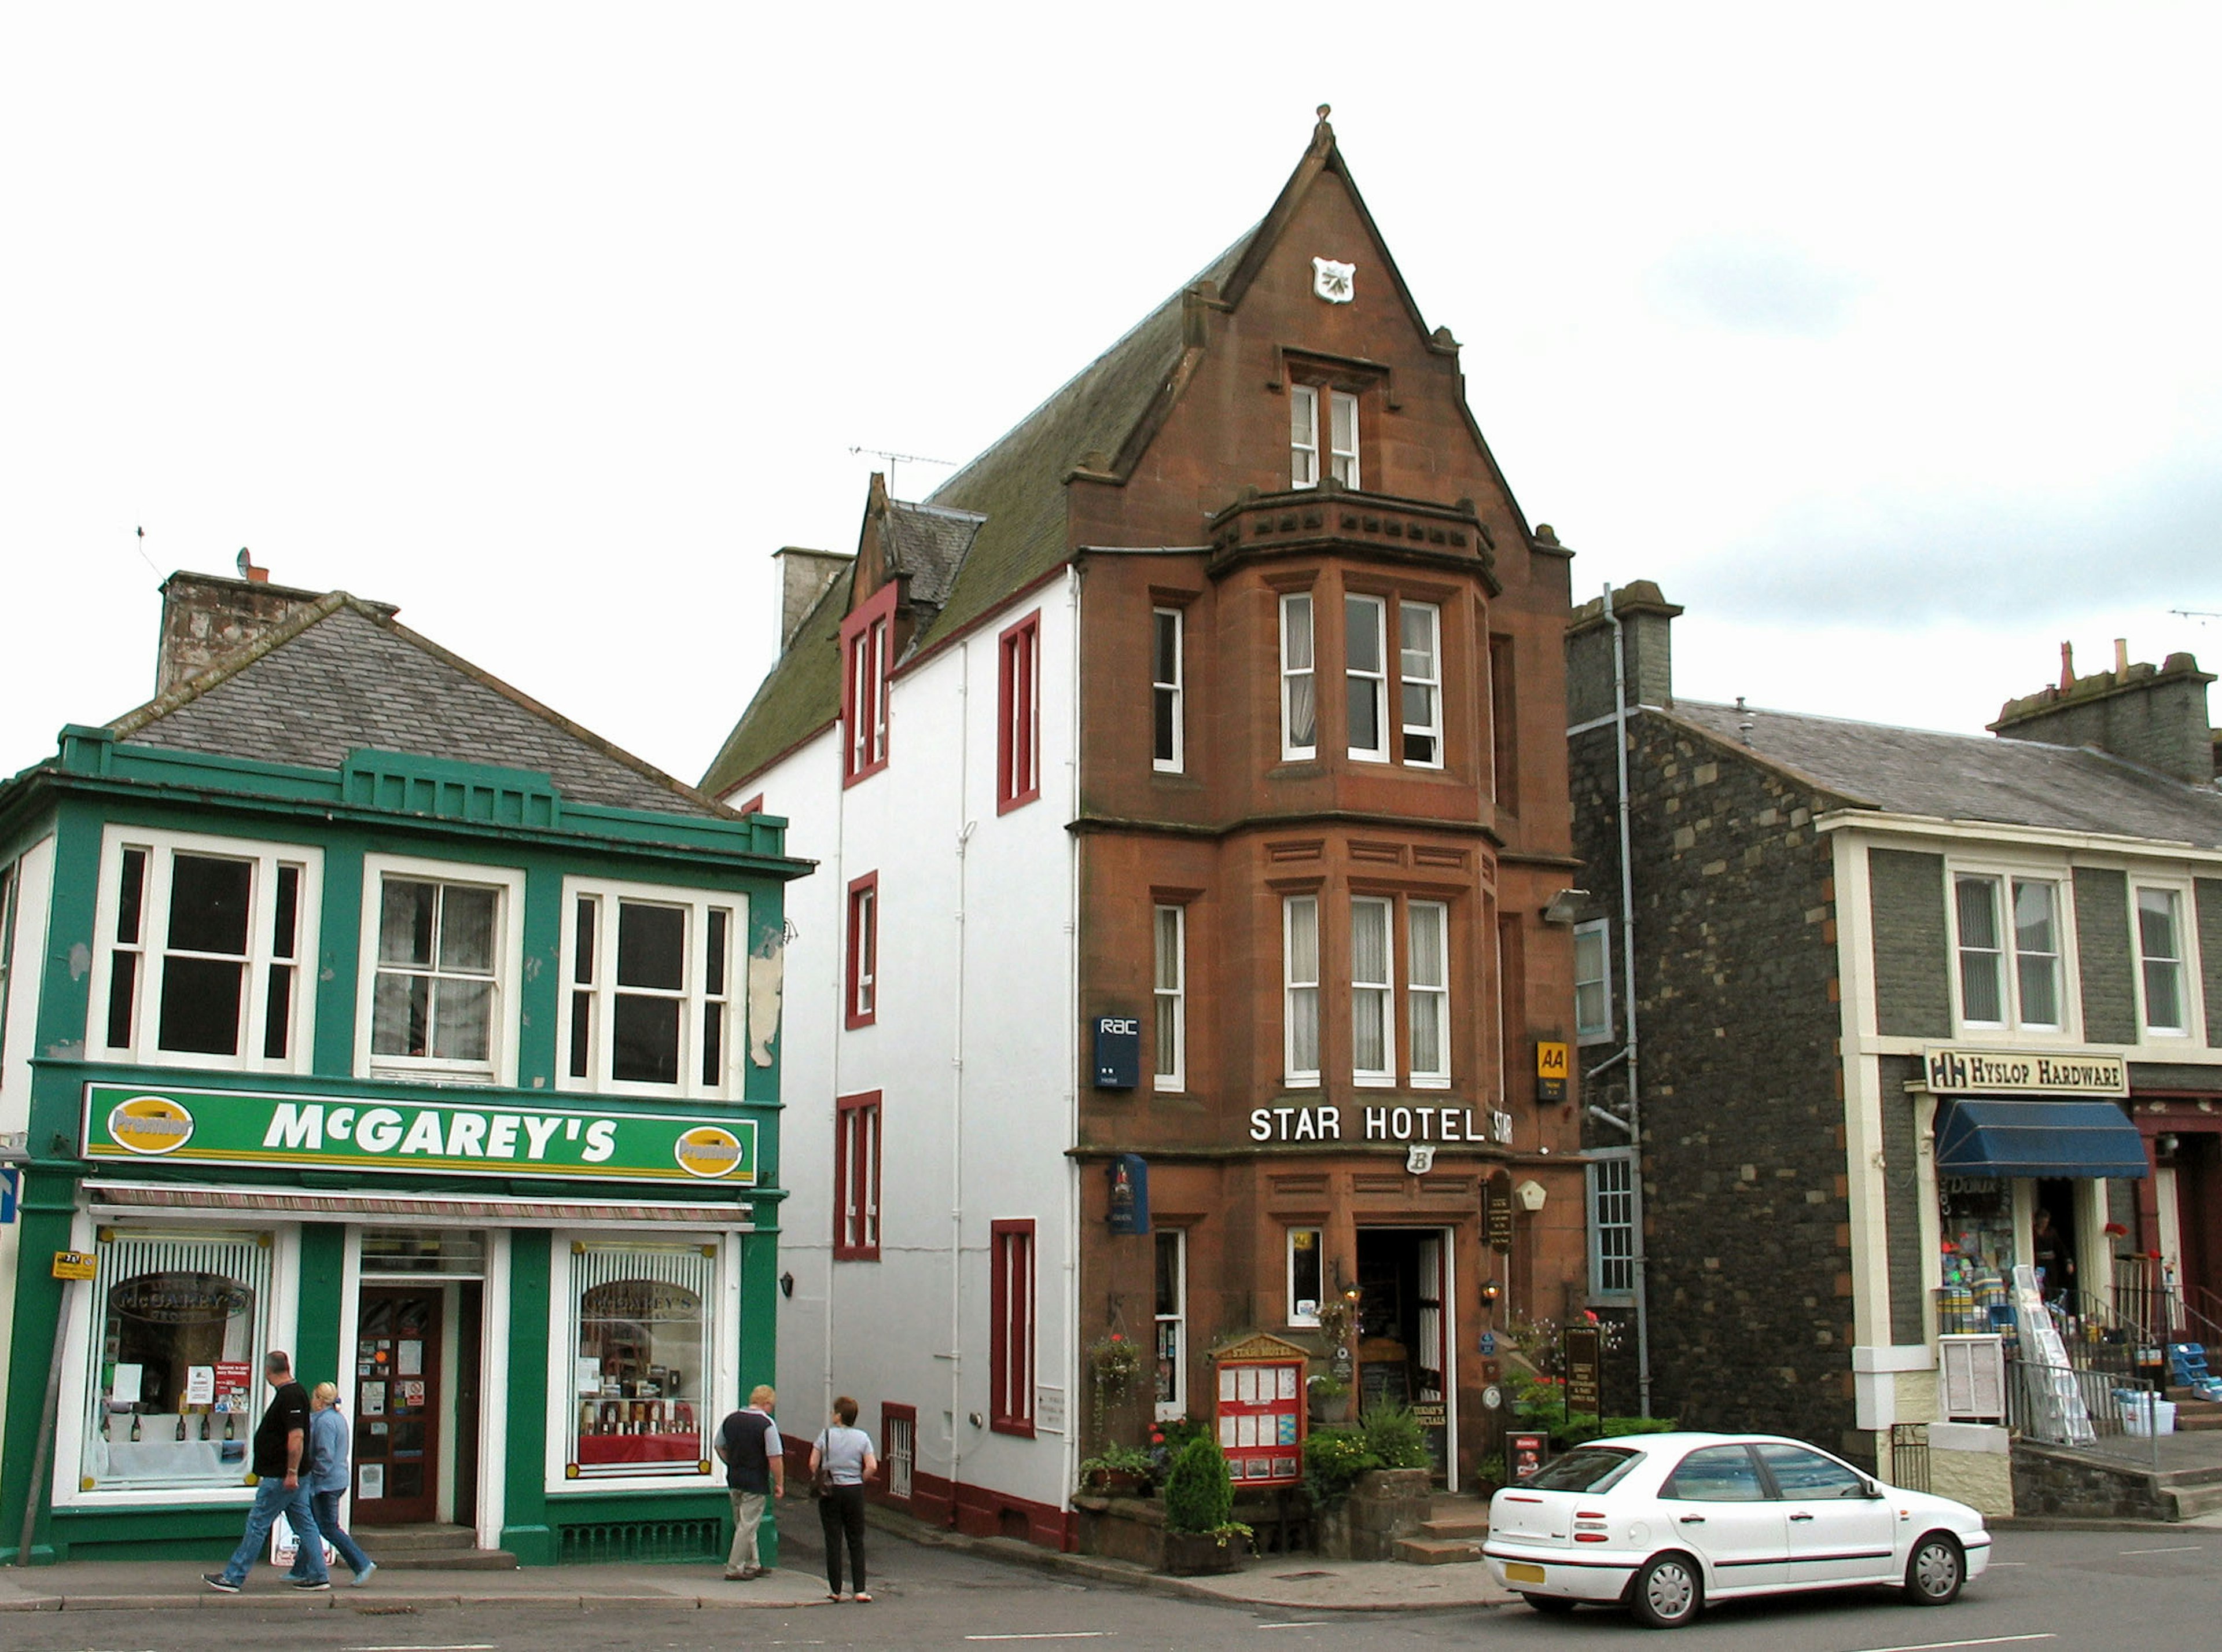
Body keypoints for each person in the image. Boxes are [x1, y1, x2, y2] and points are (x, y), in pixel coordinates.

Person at [204, 1351, 330, 1592]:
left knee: (258, 1523)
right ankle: (318, 1573)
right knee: (304, 1523)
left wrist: (291, 1472)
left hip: (282, 1476)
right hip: (293, 1475)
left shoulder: (291, 1396)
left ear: (269, 1371)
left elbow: (297, 1437)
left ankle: (234, 1576)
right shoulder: (294, 1393)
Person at [290, 1382, 376, 1587]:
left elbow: (325, 1456)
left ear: (320, 1400)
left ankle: (362, 1563)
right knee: (312, 1523)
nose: (312, 1401)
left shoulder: (325, 1423)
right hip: (336, 1480)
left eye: (314, 1397)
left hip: (326, 1484)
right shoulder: (336, 1419)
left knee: (327, 1527)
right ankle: (299, 1569)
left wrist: (313, 1477)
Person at [808, 1396, 877, 1603]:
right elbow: (872, 1466)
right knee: (856, 1539)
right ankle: (860, 1590)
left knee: (833, 1539)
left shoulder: (826, 1435)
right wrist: (859, 1479)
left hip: (831, 1491)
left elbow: (813, 1463)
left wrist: (824, 1476)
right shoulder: (863, 1438)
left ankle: (836, 1589)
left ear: (838, 1416)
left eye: (834, 1412)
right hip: (854, 1490)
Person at [715, 1384, 785, 1581]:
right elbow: (775, 1457)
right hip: (755, 1480)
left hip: (735, 1478)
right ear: (767, 1403)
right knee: (748, 1525)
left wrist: (731, 1462)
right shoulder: (766, 1425)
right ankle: (734, 1568)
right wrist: (779, 1482)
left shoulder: (731, 1419)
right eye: (772, 1405)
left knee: (744, 1523)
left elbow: (719, 1445)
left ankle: (754, 1563)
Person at [2032, 1208, 2073, 1304]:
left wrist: (2069, 1262)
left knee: (2052, 1286)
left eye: (2046, 1222)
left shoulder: (2051, 1232)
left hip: (2050, 1265)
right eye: (2042, 1222)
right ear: (2037, 1220)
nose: (2044, 1225)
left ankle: (2052, 1305)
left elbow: (2061, 1247)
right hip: (2038, 1263)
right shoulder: (2032, 1231)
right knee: (2040, 1285)